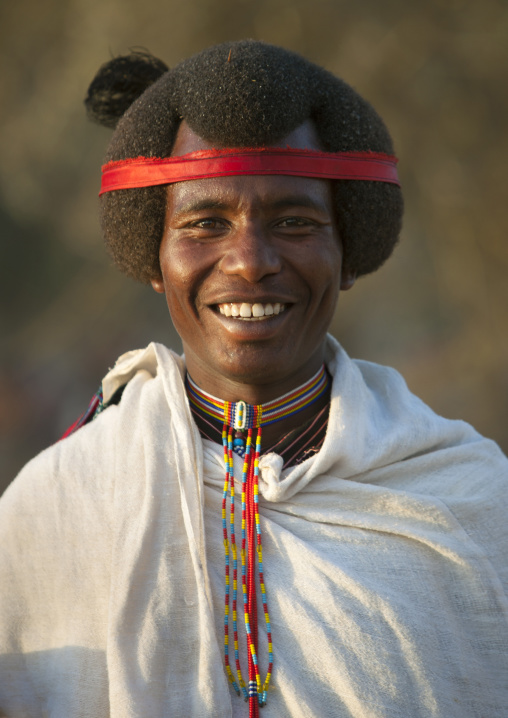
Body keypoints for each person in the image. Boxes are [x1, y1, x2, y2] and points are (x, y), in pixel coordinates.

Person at [0, 40, 506, 718]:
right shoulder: (59, 506)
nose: (251, 261)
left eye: (295, 223)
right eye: (205, 224)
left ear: (348, 252)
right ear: (154, 258)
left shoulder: (471, 503)